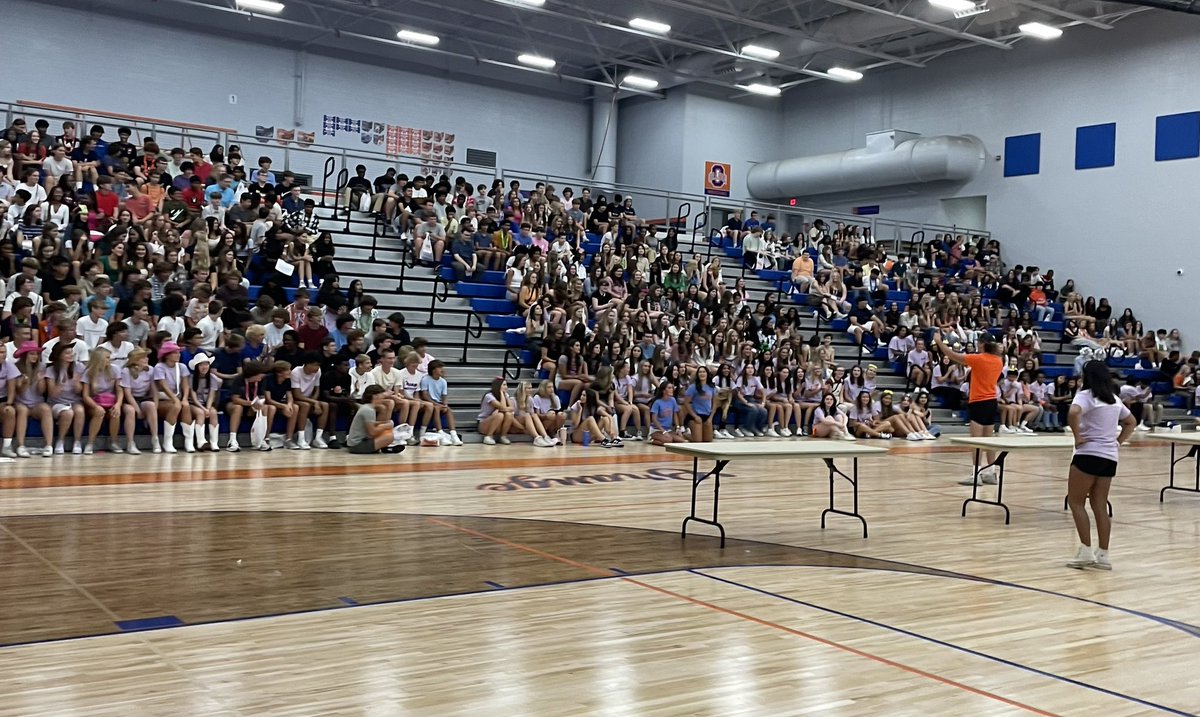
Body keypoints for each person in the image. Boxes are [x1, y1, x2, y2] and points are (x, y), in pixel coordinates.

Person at [1066, 361, 1137, 570]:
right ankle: (1103, 554)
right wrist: (1118, 442)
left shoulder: (1085, 395)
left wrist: (1077, 436)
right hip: (1109, 457)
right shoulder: (1114, 399)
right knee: (1100, 504)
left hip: (1088, 454)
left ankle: (1085, 550)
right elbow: (1131, 421)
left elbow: (1073, 413)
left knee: (1076, 502)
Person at [934, 329, 1005, 485]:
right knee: (989, 441)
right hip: (992, 402)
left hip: (979, 402)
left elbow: (954, 356)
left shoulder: (978, 359)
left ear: (981, 344)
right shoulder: (998, 360)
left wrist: (939, 342)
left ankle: (975, 474)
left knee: (976, 441)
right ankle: (992, 473)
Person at [347, 385, 404, 455]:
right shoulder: (368, 410)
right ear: (375, 396)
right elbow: (372, 432)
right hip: (357, 445)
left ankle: (384, 448)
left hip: (357, 443)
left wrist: (384, 422)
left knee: (386, 431)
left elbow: (370, 424)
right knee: (389, 437)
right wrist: (386, 426)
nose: (383, 398)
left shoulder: (368, 407)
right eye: (382, 396)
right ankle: (383, 448)